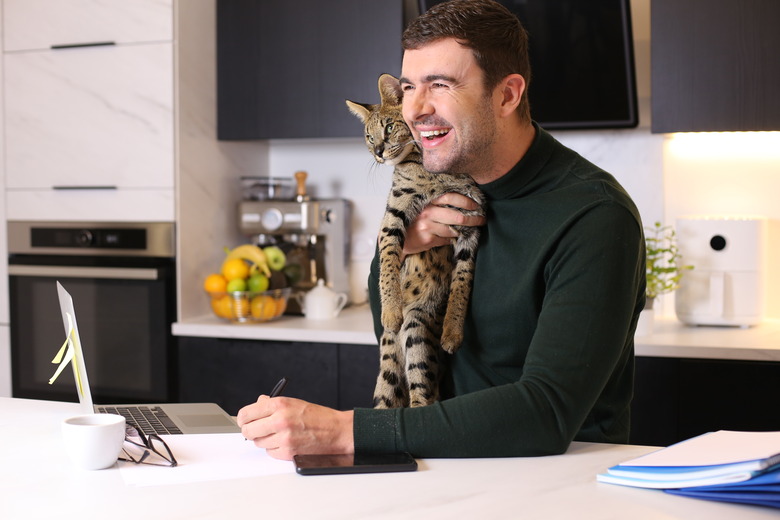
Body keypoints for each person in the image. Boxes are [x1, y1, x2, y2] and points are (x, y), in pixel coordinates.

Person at [236, 0, 645, 460]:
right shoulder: (434, 190)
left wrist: (342, 430)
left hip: (559, 486)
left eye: (440, 85)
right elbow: (391, 328)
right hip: (449, 469)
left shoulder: (594, 216)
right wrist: (405, 246)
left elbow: (546, 414)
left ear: (507, 95)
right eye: (409, 86)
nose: (414, 108)